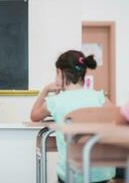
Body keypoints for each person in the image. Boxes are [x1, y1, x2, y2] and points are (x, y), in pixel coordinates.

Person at [31, 50, 115, 183]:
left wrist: (45, 91)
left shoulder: (56, 101)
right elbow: (117, 116)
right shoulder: (99, 97)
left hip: (71, 174)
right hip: (102, 174)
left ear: (60, 72)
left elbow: (34, 116)